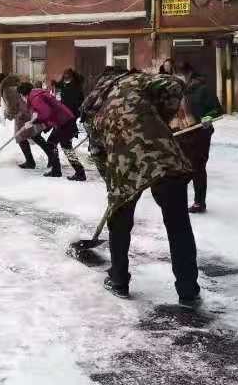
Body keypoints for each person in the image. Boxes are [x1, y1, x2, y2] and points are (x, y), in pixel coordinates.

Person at [81, 68, 200, 307]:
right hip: (163, 158)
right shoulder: (136, 80)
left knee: (119, 224)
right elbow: (174, 84)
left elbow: (96, 151)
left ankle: (119, 281)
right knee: (178, 224)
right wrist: (161, 116)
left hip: (123, 167)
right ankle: (188, 292)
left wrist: (113, 188)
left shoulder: (92, 104)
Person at [173, 61, 224, 213]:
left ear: (188, 74)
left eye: (180, 74)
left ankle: (199, 202)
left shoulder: (202, 90)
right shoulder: (176, 91)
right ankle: (178, 201)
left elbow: (217, 110)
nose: (178, 78)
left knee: (197, 169)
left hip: (199, 135)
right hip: (180, 135)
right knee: (180, 170)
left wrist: (208, 117)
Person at [18, 82, 86, 180]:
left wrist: (34, 121)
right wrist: (36, 120)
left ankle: (77, 173)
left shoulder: (35, 97)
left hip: (64, 122)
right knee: (54, 143)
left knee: (63, 146)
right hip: (63, 120)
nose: (22, 99)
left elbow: (46, 113)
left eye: (21, 96)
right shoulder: (37, 94)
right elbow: (48, 110)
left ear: (23, 94)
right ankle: (58, 170)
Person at [0, 73, 55, 170]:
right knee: (35, 136)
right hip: (29, 112)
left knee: (21, 137)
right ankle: (51, 158)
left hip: (22, 115)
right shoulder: (14, 84)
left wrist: (6, 115)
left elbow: (12, 108)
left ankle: (31, 161)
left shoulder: (6, 90)